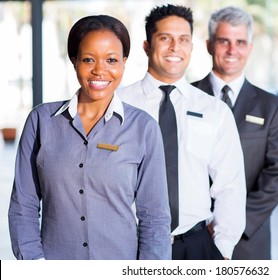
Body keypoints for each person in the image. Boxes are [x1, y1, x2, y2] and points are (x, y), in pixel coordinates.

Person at [8, 15, 171, 260]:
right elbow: (24, 206)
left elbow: (155, 218)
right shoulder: (41, 121)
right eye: (88, 59)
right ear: (74, 61)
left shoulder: (144, 128)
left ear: (124, 62)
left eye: (111, 60)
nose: (99, 70)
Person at [117, 4, 246, 260]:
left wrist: (222, 248)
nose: (175, 47)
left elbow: (230, 186)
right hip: (129, 245)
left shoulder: (214, 111)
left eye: (183, 40)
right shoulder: (118, 104)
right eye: (165, 38)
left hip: (195, 246)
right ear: (147, 46)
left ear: (191, 47)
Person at [192, 6, 278, 260]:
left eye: (240, 42)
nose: (232, 50)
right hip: (191, 236)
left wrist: (228, 224)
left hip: (248, 240)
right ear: (209, 45)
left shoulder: (272, 106)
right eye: (224, 41)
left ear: (250, 48)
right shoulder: (185, 99)